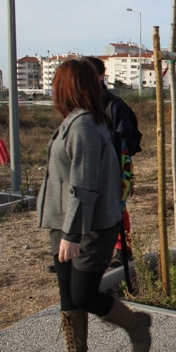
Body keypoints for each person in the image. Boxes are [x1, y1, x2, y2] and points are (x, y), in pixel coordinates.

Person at [36, 59, 151, 352]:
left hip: (89, 227)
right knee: (68, 296)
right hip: (64, 223)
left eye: (55, 84)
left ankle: (136, 325)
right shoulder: (75, 121)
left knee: (84, 295)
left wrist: (72, 235)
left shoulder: (84, 126)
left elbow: (83, 185)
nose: (52, 90)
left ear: (67, 88)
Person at [86, 56, 140, 268]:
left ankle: (123, 250)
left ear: (101, 76)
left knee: (116, 209)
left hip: (114, 167)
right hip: (89, 168)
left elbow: (126, 140)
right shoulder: (82, 104)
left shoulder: (112, 105)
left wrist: (113, 163)